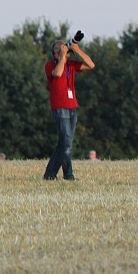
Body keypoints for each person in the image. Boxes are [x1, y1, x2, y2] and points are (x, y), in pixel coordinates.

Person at [43, 38, 95, 181]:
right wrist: (62, 57)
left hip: (72, 107)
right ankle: (68, 175)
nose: (62, 50)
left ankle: (50, 174)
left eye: (64, 48)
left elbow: (91, 64)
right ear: (54, 52)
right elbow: (57, 73)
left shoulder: (71, 65)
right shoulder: (50, 65)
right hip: (60, 107)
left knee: (64, 143)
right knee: (66, 144)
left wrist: (77, 49)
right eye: (58, 48)